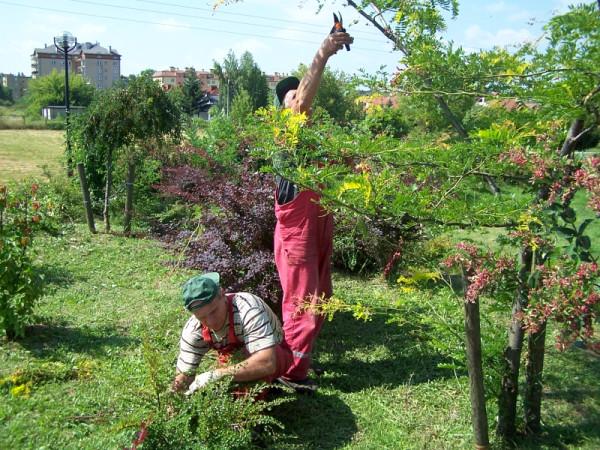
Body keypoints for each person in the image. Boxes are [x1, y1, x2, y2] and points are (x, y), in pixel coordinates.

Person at [273, 30, 354, 388]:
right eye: (293, 94)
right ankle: (290, 374)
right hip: (298, 229)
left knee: (320, 297)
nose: (301, 98)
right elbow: (303, 100)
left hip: (317, 222)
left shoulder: (309, 139)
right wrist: (323, 54)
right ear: (285, 107)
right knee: (302, 300)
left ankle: (296, 361)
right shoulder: (287, 129)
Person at [171, 272, 293, 395]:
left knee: (244, 393)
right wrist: (173, 403)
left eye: (214, 311)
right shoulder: (193, 330)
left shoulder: (248, 310)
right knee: (224, 390)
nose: (211, 321)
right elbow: (184, 375)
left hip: (276, 355)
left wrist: (217, 375)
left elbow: (268, 362)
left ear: (222, 294)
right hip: (236, 356)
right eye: (202, 317)